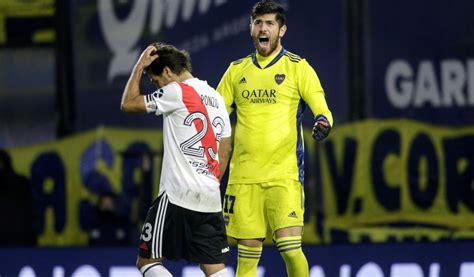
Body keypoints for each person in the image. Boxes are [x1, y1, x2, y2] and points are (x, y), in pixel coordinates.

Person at [216, 1, 333, 276]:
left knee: (291, 249)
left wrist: (323, 121)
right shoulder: (236, 71)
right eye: (258, 23)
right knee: (246, 260)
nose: (263, 28)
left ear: (282, 30)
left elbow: (321, 106)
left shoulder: (298, 68)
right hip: (244, 178)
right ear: (251, 29)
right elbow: (215, 115)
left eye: (269, 23)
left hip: (284, 175)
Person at [120, 42, 232, 277]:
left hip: (176, 195)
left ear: (168, 72)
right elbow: (225, 147)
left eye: (155, 80)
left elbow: (128, 103)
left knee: (147, 261)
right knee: (214, 268)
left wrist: (140, 66)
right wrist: (211, 182)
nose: (156, 85)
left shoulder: (176, 91)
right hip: (210, 197)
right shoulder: (217, 97)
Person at [0, 149, 37, 246]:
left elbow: (32, 211)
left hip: (20, 240)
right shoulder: (22, 182)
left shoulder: (22, 183)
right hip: (22, 240)